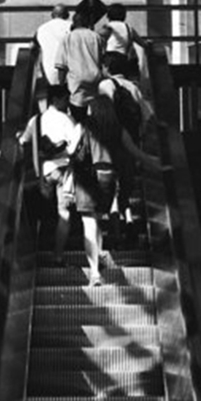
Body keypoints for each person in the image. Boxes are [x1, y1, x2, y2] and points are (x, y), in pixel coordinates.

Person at [70, 93, 165, 283]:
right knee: (97, 220)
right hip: (108, 178)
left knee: (89, 224)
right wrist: (160, 165)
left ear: (94, 109)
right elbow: (137, 153)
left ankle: (95, 271)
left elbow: (71, 152)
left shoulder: (83, 127)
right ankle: (100, 256)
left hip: (86, 178)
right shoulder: (118, 130)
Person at [17, 84, 78, 264]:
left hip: (42, 172)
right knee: (64, 213)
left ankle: (35, 253)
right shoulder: (67, 119)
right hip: (63, 170)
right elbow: (76, 145)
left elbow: (23, 141)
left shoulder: (35, 120)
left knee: (41, 212)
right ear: (56, 99)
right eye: (65, 99)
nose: (67, 103)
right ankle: (57, 255)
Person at [54, 11, 104, 121]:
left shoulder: (68, 38)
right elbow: (102, 59)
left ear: (74, 22)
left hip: (76, 82)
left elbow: (61, 65)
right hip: (95, 79)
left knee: (78, 115)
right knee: (95, 114)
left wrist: (61, 84)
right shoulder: (96, 37)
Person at [32, 4, 71, 108]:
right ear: (67, 15)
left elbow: (33, 47)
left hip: (49, 71)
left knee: (52, 100)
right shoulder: (71, 27)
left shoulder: (41, 29)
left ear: (52, 15)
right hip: (69, 71)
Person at [99, 2, 147, 77]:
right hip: (124, 58)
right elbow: (142, 43)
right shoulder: (129, 27)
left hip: (111, 58)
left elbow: (98, 37)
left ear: (109, 15)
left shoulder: (109, 26)